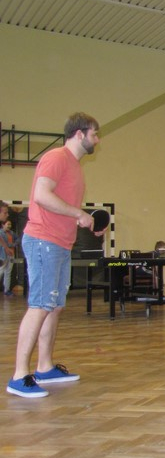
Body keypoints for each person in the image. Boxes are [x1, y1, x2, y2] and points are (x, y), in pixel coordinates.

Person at [7, 112, 103, 398]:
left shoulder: (75, 167)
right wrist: (78, 213)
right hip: (43, 241)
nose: (97, 140)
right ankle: (19, 375)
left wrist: (85, 222)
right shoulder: (56, 157)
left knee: (54, 306)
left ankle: (45, 366)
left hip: (61, 243)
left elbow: (63, 208)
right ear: (80, 134)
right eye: (95, 134)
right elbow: (41, 196)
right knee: (40, 304)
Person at [1, 215, 17, 295]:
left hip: (11, 254)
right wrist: (8, 246)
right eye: (8, 224)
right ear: (3, 225)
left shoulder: (12, 233)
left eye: (10, 224)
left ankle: (6, 290)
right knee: (1, 271)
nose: (9, 226)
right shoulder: (0, 233)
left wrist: (13, 244)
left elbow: (18, 239)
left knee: (8, 272)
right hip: (3, 254)